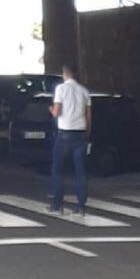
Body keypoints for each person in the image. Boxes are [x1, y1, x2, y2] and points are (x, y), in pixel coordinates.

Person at [48, 65, 91, 216]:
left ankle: (57, 204)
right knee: (80, 171)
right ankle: (81, 206)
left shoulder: (60, 89)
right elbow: (88, 117)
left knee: (58, 169)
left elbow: (57, 112)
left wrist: (51, 110)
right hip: (80, 134)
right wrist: (87, 134)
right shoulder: (84, 91)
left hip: (64, 134)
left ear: (64, 74)